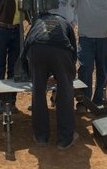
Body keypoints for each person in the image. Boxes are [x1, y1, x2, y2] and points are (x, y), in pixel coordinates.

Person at [24, 12, 78, 149]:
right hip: (61, 50)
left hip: (36, 49)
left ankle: (41, 136)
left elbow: (26, 46)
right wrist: (65, 76)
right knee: (65, 92)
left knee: (38, 92)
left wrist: (34, 75)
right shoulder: (65, 22)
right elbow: (72, 51)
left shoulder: (37, 22)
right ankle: (65, 139)